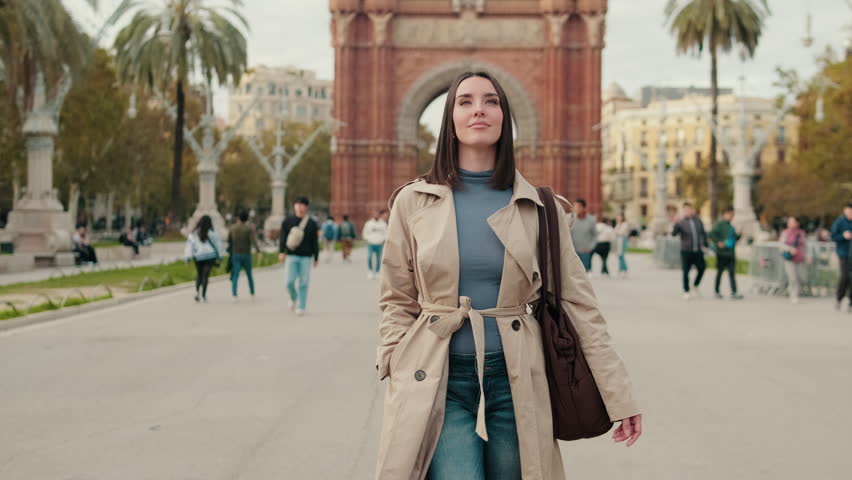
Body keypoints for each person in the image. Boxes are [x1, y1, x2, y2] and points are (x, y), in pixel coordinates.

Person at [375, 71, 641, 480]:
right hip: (437, 371)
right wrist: (395, 358)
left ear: (505, 118)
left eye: (491, 101)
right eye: (464, 101)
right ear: (450, 119)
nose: (478, 108)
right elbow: (396, 296)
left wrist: (618, 395)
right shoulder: (412, 201)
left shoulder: (540, 206)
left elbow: (580, 305)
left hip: (516, 372)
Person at [278, 196, 319, 316]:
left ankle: (301, 306)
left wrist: (316, 257)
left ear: (306, 207)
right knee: (289, 282)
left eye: (303, 205)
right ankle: (293, 297)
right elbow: (283, 238)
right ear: (294, 206)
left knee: (304, 282)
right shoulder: (287, 221)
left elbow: (314, 241)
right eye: (298, 204)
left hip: (306, 257)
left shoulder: (311, 223)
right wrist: (281, 251)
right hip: (291, 255)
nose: (300, 207)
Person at [672, 202, 708, 300]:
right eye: (685, 210)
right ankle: (686, 290)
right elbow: (674, 234)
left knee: (702, 267)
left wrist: (705, 245)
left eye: (689, 209)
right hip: (686, 251)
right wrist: (675, 224)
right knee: (686, 271)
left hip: (697, 250)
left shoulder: (698, 221)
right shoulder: (681, 222)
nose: (687, 212)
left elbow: (703, 233)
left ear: (692, 210)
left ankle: (695, 285)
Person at [183, 215, 222, 303]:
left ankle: (197, 293)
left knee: (199, 275)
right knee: (205, 276)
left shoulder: (194, 233)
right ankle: (204, 295)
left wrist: (188, 257)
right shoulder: (213, 233)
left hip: (198, 257)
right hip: (210, 256)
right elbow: (218, 245)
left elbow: (190, 246)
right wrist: (220, 256)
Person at [709, 207, 743, 300]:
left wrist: (739, 234)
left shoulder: (731, 226)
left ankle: (734, 292)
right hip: (722, 254)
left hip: (731, 254)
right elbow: (711, 234)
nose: (731, 217)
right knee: (720, 272)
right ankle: (717, 291)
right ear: (725, 214)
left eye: (732, 215)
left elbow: (734, 239)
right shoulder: (720, 225)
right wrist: (718, 242)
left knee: (732, 273)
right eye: (730, 214)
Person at [228, 210, 261, 302]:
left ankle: (234, 295)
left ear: (238, 218)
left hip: (236, 254)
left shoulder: (233, 228)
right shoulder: (248, 229)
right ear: (247, 218)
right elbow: (253, 241)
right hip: (246, 254)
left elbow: (229, 240)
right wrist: (259, 251)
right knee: (249, 275)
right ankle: (252, 293)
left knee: (235, 275)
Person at [830, 203, 852, 312]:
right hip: (843, 253)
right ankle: (839, 298)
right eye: (848, 211)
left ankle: (850, 302)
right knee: (845, 277)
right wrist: (843, 236)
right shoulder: (839, 222)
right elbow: (833, 236)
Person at [781, 216, 807, 304]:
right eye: (789, 222)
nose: (790, 224)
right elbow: (781, 244)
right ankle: (793, 295)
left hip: (800, 258)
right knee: (792, 277)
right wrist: (789, 249)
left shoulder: (801, 233)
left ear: (797, 223)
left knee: (800, 277)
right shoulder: (785, 233)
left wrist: (808, 255)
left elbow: (805, 245)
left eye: (792, 222)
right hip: (789, 258)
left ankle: (792, 289)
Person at [570, 199, 597, 273]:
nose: (576, 209)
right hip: (572, 251)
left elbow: (595, 235)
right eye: (574, 207)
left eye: (578, 207)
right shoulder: (570, 218)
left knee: (585, 273)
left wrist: (590, 247)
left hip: (585, 252)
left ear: (584, 208)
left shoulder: (591, 220)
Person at [363, 209, 389, 280]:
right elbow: (365, 232)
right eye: (374, 214)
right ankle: (370, 271)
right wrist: (368, 239)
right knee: (369, 257)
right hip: (371, 243)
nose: (376, 215)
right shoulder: (369, 223)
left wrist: (382, 240)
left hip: (379, 244)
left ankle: (377, 272)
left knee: (378, 259)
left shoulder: (383, 224)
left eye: (377, 214)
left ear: (379, 215)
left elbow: (386, 233)